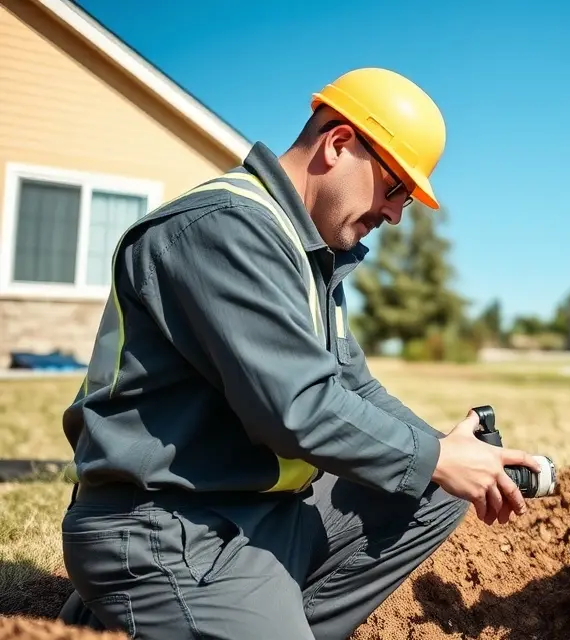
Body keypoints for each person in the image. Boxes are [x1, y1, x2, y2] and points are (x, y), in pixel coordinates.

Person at [56, 67, 542, 640]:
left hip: (256, 514)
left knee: (433, 490)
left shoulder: (304, 253)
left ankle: (233, 616)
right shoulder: (224, 229)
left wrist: (447, 452)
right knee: (427, 470)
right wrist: (434, 457)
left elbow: (354, 389)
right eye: (395, 190)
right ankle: (165, 600)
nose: (394, 215)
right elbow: (297, 408)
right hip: (165, 527)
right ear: (338, 143)